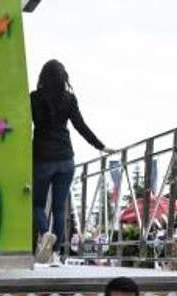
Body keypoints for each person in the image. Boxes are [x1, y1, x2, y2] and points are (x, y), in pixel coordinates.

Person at [31, 59, 114, 263]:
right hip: (66, 159)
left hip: (42, 158)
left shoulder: (34, 98)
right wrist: (101, 146)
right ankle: (57, 254)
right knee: (59, 208)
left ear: (42, 77)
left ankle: (44, 234)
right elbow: (80, 126)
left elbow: (23, 124)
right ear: (63, 77)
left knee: (37, 204)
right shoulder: (69, 99)